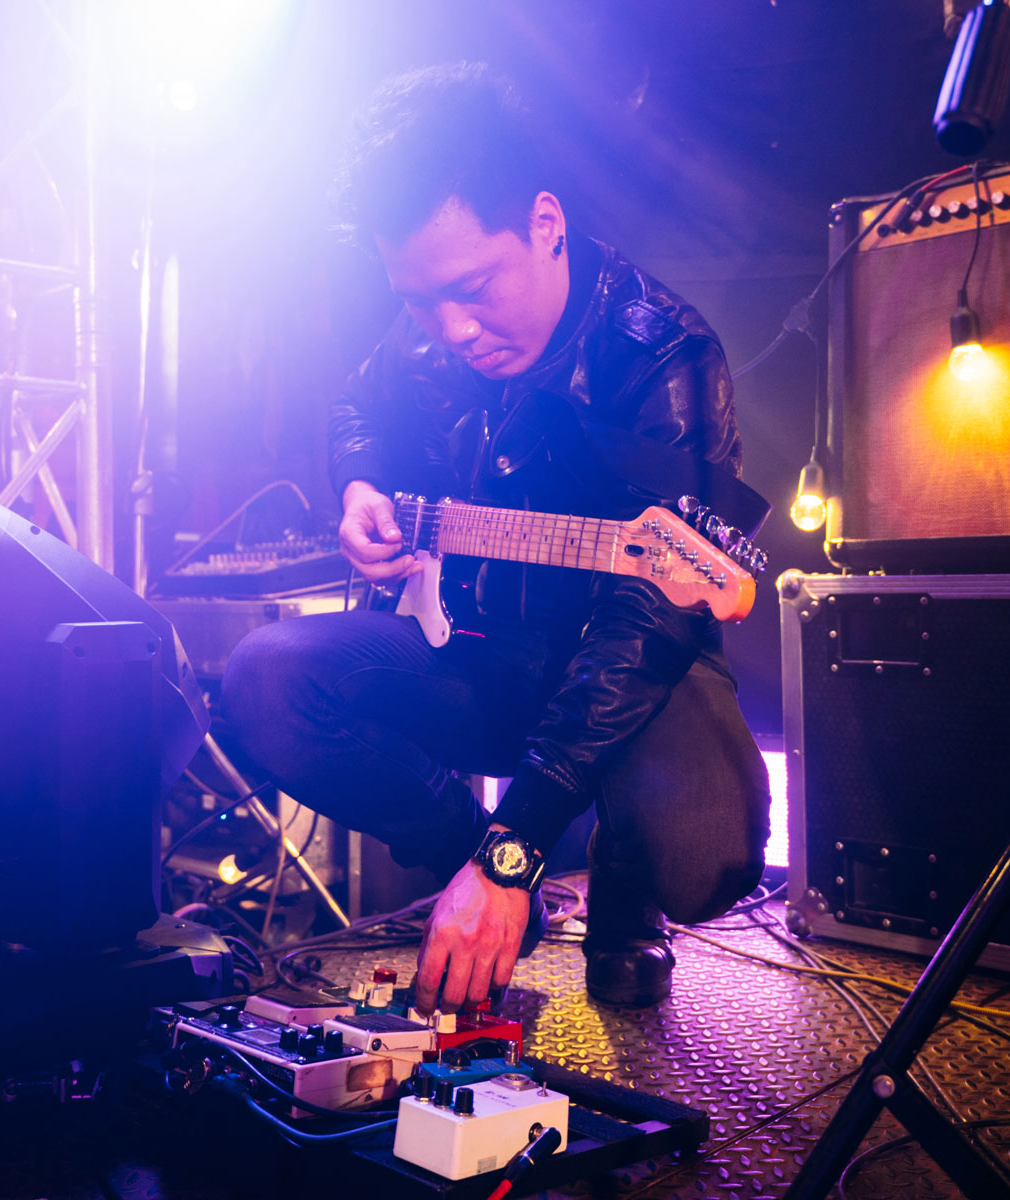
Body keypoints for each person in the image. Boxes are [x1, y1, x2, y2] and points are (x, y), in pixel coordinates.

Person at [221, 62, 771, 1014]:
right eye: (420, 298)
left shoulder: (662, 355)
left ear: (546, 226)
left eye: (473, 287)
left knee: (707, 856)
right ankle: (457, 865)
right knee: (261, 680)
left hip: (625, 676)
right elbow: (359, 401)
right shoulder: (431, 325)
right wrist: (357, 484)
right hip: (476, 656)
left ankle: (618, 888)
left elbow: (642, 638)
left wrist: (514, 856)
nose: (452, 328)